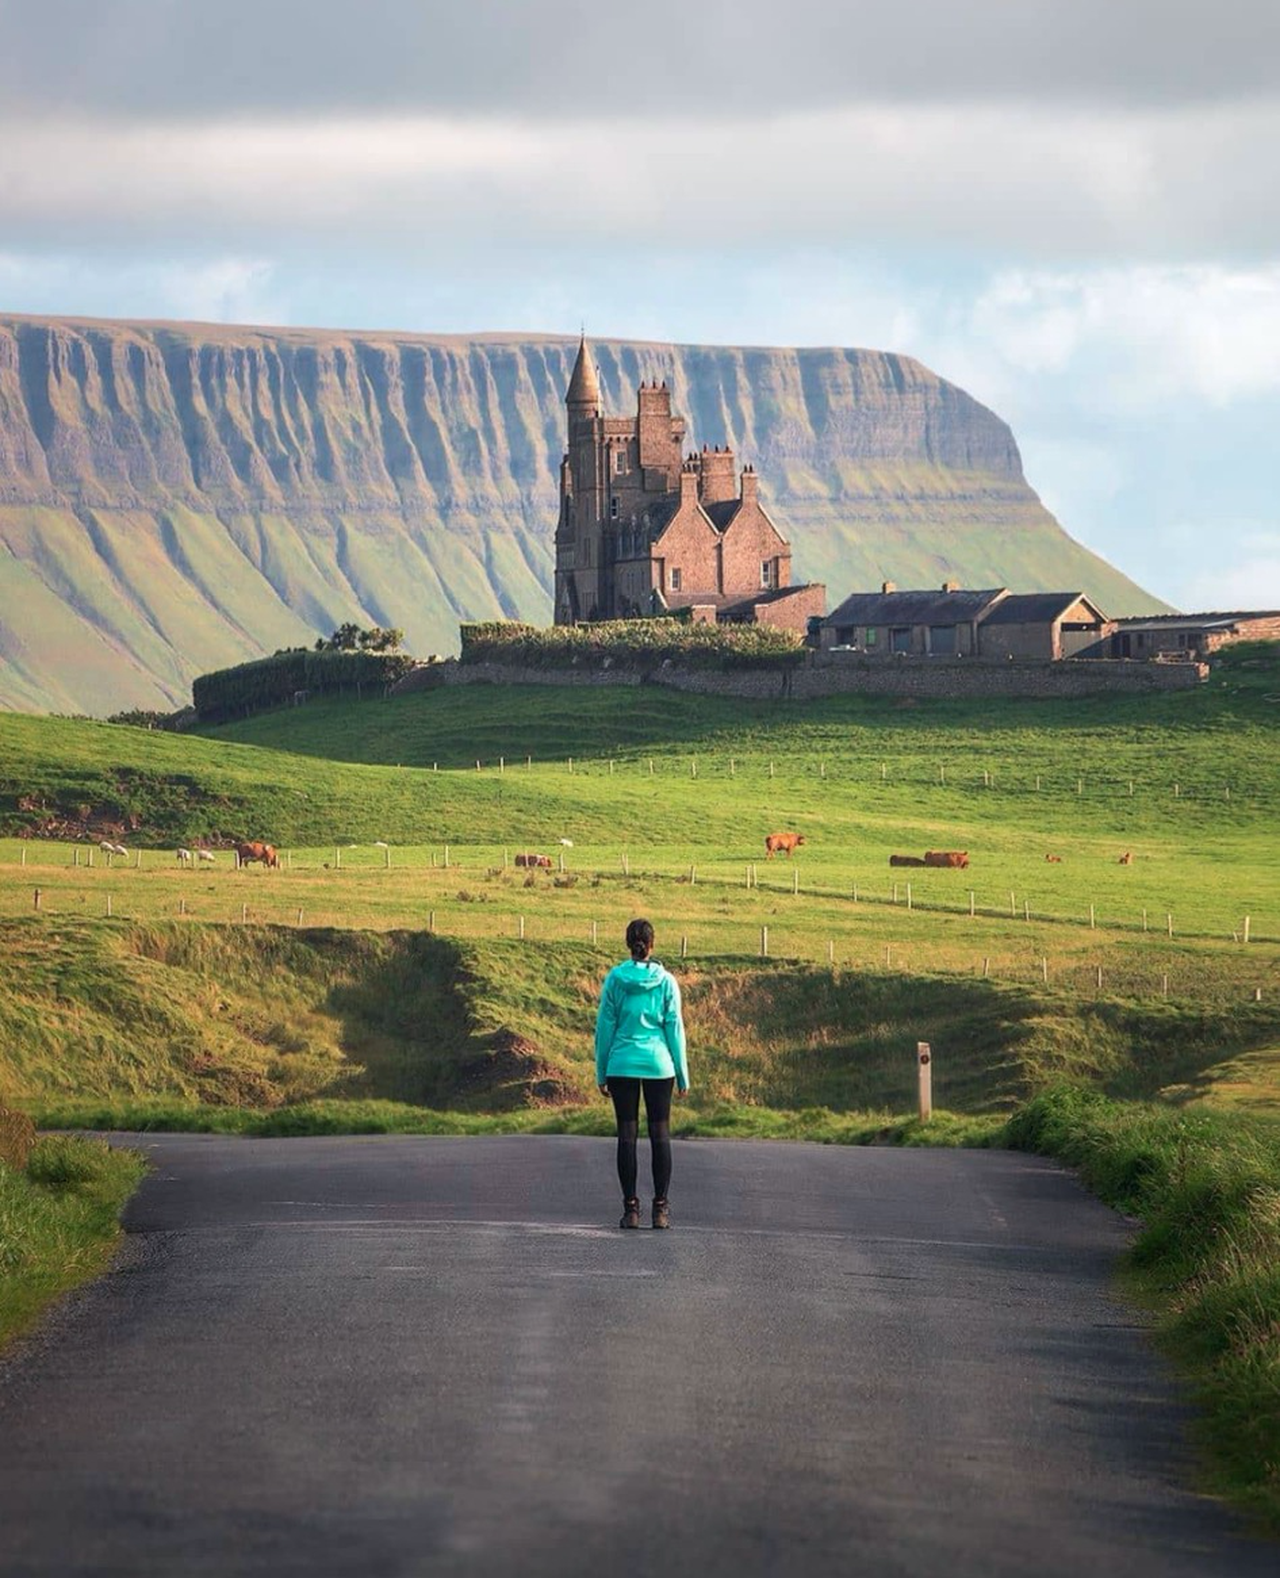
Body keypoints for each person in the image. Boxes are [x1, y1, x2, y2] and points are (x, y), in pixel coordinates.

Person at [595, 918, 689, 1230]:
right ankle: (660, 1209)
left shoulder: (614, 980)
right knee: (660, 1134)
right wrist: (682, 1073)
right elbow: (674, 1029)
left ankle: (630, 1209)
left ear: (628, 945)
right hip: (658, 1065)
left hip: (621, 1063)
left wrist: (602, 1071)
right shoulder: (666, 982)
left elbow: (605, 1028)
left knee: (627, 1135)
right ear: (652, 945)